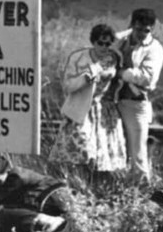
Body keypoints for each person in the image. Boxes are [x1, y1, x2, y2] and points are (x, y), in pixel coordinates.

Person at [52, 23, 125, 178]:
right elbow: (67, 86)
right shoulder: (78, 57)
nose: (104, 47)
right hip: (80, 109)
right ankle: (74, 182)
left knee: (101, 156)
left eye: (107, 44)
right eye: (100, 43)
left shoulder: (112, 58)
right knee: (81, 150)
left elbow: (117, 79)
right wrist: (85, 78)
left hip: (103, 110)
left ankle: (93, 186)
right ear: (93, 41)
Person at [115, 8, 163, 182]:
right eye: (138, 29)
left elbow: (148, 78)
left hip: (135, 103)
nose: (142, 34)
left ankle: (142, 188)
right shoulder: (119, 40)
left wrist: (120, 73)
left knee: (138, 153)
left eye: (146, 30)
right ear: (132, 25)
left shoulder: (154, 48)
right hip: (112, 101)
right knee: (113, 148)